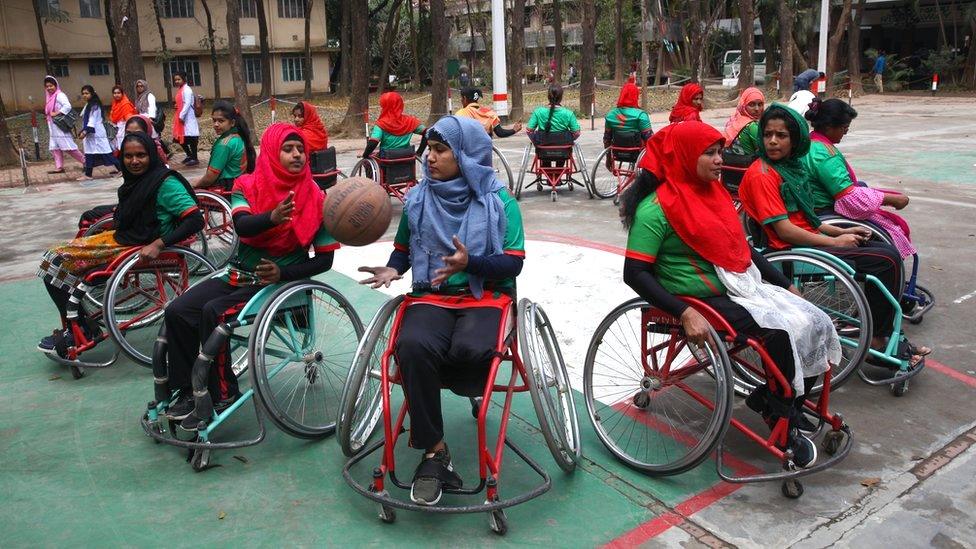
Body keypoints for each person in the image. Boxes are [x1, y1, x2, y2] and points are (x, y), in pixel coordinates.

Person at [620, 121, 839, 468]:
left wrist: (785, 286)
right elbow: (634, 273)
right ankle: (779, 411)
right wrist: (683, 312)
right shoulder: (655, 210)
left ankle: (780, 400)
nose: (720, 159)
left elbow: (745, 250)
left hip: (738, 284)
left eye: (719, 151)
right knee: (779, 333)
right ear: (685, 157)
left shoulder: (715, 194)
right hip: (697, 299)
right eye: (710, 153)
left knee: (813, 319)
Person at [358, 116, 526, 506]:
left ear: (466, 155)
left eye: (439, 150)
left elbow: (514, 263)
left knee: (469, 351)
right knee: (413, 346)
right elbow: (405, 246)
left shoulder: (500, 202)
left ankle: (452, 383)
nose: (428, 158)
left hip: (485, 296)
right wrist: (393, 268)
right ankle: (435, 450)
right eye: (428, 150)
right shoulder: (418, 198)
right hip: (432, 295)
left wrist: (473, 264)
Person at [162, 123, 340, 429]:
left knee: (213, 315)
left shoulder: (316, 199)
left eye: (301, 149)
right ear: (272, 152)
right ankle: (184, 390)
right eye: (288, 149)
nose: (297, 155)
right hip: (238, 275)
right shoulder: (246, 184)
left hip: (279, 284)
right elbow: (242, 226)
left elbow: (325, 261)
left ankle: (223, 393)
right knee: (177, 311)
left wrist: (283, 272)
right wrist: (271, 218)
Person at [737, 104, 930, 363]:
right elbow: (785, 230)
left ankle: (881, 330)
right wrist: (834, 239)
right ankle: (876, 337)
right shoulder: (762, 175)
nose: (772, 141)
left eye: (781, 135)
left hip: (805, 238)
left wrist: (842, 230)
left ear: (795, 139)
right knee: (885, 262)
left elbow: (807, 219)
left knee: (885, 249)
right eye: (768, 134)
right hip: (788, 250)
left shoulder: (789, 168)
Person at [37, 132, 204, 353]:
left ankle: (84, 328)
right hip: (126, 238)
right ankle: (82, 325)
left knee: (54, 261)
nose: (134, 161)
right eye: (128, 156)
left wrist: (159, 244)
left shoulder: (165, 183)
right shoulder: (135, 181)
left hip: (138, 245)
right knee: (55, 257)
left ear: (151, 155)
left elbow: (195, 220)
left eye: (141, 155)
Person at [802, 98, 915, 259]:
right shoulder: (822, 154)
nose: (846, 132)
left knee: (863, 186)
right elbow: (847, 196)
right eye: (844, 128)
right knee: (888, 252)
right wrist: (891, 199)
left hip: (817, 203)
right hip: (824, 211)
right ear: (828, 127)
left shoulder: (812, 142)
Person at [193, 100, 256, 190]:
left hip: (225, 188)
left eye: (221, 121)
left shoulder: (224, 145)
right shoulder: (238, 138)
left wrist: (195, 185)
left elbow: (210, 178)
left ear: (232, 123)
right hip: (239, 185)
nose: (216, 124)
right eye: (214, 120)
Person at [526, 84, 581, 169]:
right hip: (563, 151)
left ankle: (549, 175)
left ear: (548, 96)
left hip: (543, 149)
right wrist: (569, 139)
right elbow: (576, 132)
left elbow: (529, 130)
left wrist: (535, 141)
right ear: (561, 97)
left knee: (544, 150)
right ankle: (558, 176)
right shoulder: (568, 113)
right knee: (563, 145)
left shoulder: (538, 112)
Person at [362, 91, 428, 159]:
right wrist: (420, 152)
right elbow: (427, 132)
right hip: (406, 156)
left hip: (387, 158)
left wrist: (365, 155)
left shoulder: (381, 124)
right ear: (400, 104)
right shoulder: (411, 121)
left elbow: (373, 143)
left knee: (369, 161)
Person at [77, 85, 122, 181]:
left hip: (96, 134)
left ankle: (121, 170)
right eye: (83, 93)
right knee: (89, 154)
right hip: (90, 135)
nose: (85, 95)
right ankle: (88, 174)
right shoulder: (88, 105)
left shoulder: (95, 105)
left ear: (92, 93)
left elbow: (92, 121)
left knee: (106, 153)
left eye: (87, 93)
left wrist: (85, 131)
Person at [42, 76, 85, 175]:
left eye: (51, 86)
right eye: (47, 86)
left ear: (56, 85)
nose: (49, 88)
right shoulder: (49, 97)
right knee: (55, 147)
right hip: (52, 125)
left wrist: (57, 113)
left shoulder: (60, 95)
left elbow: (67, 106)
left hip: (60, 125)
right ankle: (59, 167)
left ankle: (85, 162)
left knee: (68, 147)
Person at [455, 87, 522, 138]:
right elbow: (500, 132)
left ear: (465, 98)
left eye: (461, 98)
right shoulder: (490, 113)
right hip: (485, 151)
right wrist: (514, 130)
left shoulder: (461, 114)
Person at [603, 81, 653, 148]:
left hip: (617, 153)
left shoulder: (610, 115)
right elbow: (649, 139)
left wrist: (608, 158)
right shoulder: (641, 115)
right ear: (635, 96)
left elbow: (607, 139)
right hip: (637, 154)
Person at [723, 87, 764, 156]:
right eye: (752, 104)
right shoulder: (752, 126)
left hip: (730, 163)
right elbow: (766, 150)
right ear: (744, 105)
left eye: (760, 104)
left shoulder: (733, 120)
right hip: (748, 165)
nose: (757, 109)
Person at [172, 71, 200, 166]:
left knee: (191, 138)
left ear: (183, 79)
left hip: (187, 118)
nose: (177, 81)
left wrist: (182, 115)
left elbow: (188, 104)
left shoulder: (187, 90)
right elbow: (182, 102)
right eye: (175, 80)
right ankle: (189, 155)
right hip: (181, 118)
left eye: (179, 79)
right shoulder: (181, 89)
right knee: (179, 138)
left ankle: (194, 158)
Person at [109, 85, 139, 150]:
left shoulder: (125, 104)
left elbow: (129, 119)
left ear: (122, 94)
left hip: (124, 128)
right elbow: (112, 116)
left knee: (123, 144)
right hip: (117, 128)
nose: (116, 95)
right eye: (114, 93)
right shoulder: (115, 103)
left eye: (118, 93)